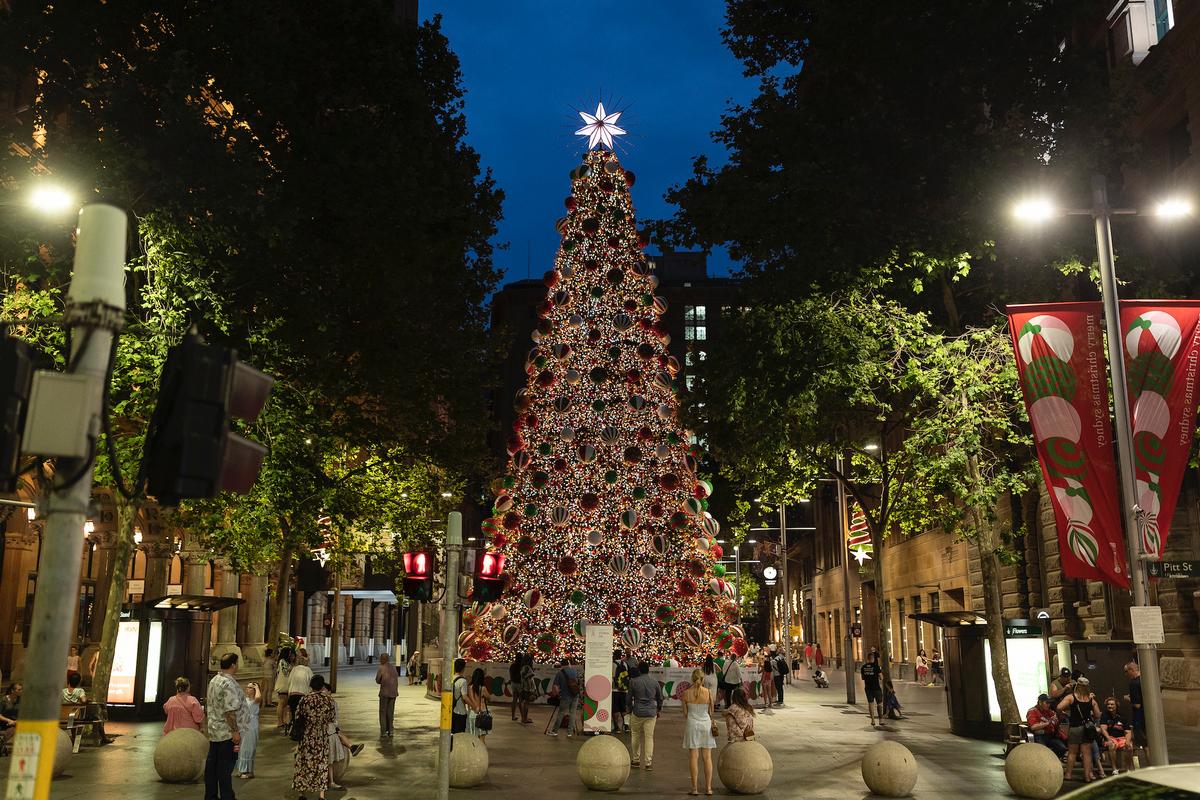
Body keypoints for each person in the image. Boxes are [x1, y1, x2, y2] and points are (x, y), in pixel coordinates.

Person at [203, 652, 245, 800]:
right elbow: (229, 711)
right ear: (233, 665)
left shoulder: (214, 680)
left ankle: (210, 795)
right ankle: (227, 796)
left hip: (214, 730)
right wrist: (235, 731)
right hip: (226, 732)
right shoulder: (228, 683)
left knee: (212, 767)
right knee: (225, 768)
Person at [293, 674, 336, 800]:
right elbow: (332, 718)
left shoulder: (305, 699)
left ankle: (302, 793)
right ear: (322, 686)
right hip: (321, 736)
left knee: (304, 763)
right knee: (321, 764)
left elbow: (297, 716)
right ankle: (321, 795)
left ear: (311, 686)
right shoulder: (328, 700)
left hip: (307, 736)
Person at [321, 680, 364, 791]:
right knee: (336, 739)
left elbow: (334, 719)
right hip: (325, 731)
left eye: (324, 689)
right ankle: (351, 747)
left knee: (330, 757)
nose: (322, 691)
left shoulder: (331, 702)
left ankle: (351, 747)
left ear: (329, 691)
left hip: (329, 729)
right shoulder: (317, 701)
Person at [1057, 676, 1101, 783]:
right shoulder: (1091, 699)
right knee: (1087, 754)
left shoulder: (1071, 697)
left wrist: (1062, 714)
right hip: (1087, 729)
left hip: (1075, 727)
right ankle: (1087, 777)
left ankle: (1068, 774)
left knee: (1072, 753)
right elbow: (1097, 714)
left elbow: (1058, 707)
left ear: (1077, 685)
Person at [681, 667, 717, 796]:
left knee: (693, 757)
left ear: (692, 679)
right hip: (705, 725)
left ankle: (695, 788)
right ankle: (708, 788)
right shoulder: (708, 693)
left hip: (692, 724)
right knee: (707, 757)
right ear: (703, 679)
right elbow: (711, 711)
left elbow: (685, 713)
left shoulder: (686, 694)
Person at [628, 660, 663, 769]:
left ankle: (636, 760)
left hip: (637, 712)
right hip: (651, 713)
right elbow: (660, 698)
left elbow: (628, 698)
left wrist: (630, 709)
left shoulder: (633, 681)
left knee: (635, 735)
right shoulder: (655, 682)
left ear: (639, 670)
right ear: (648, 670)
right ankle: (648, 763)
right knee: (649, 737)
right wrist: (658, 710)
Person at [1026, 693, 1068, 759]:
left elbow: (1055, 723)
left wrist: (1059, 717)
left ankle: (1051, 759)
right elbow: (1033, 727)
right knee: (1043, 751)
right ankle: (1045, 760)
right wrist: (1048, 723)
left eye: (1049, 703)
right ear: (1040, 702)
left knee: (1062, 748)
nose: (1049, 705)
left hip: (1051, 735)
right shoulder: (1032, 711)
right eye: (1047, 703)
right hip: (1039, 736)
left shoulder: (1049, 711)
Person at [1099, 695, 1134, 773]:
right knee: (1112, 745)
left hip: (1121, 738)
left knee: (1129, 746)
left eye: (1112, 704)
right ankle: (1114, 769)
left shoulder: (1122, 716)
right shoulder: (1104, 716)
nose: (1110, 706)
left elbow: (1128, 731)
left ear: (1116, 706)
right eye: (1108, 704)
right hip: (1110, 737)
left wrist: (1128, 741)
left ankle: (1128, 769)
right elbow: (1103, 729)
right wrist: (1109, 739)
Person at [236, 682, 262, 780]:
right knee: (242, 747)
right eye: (247, 687)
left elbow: (258, 698)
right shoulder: (244, 700)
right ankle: (242, 769)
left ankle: (247, 770)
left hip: (251, 725)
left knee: (248, 747)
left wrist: (257, 687)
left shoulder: (256, 700)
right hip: (243, 725)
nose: (247, 689)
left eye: (250, 688)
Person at [547, 658, 579, 737]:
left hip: (565, 696)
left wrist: (556, 694)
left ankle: (555, 731)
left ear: (561, 665)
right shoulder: (574, 671)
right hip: (575, 695)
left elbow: (555, 687)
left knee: (561, 713)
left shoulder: (560, 673)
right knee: (573, 713)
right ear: (568, 664)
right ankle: (570, 732)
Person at [287, 650, 314, 734]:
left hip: (292, 694)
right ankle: (300, 730)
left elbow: (289, 681)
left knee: (294, 712)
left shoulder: (294, 669)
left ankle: (293, 729)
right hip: (302, 695)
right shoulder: (308, 670)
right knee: (302, 714)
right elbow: (312, 682)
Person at [1123, 661, 1147, 757]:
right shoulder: (1146, 680)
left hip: (1140, 717)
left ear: (1131, 670)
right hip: (1150, 716)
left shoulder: (1134, 683)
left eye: (1126, 672)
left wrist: (1128, 699)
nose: (1126, 675)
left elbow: (1137, 705)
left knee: (1145, 745)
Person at [466, 667, 493, 743]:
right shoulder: (483, 688)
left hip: (472, 714)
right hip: (482, 714)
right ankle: (482, 751)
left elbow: (471, 700)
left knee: (473, 738)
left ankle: (474, 750)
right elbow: (490, 698)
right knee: (482, 739)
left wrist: (475, 708)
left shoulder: (470, 687)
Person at [375, 652, 398, 738]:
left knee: (383, 712)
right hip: (393, 693)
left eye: (381, 659)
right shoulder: (393, 667)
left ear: (383, 659)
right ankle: (391, 731)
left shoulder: (381, 668)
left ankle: (383, 731)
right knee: (390, 712)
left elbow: (377, 680)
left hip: (384, 693)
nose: (380, 660)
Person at [860, 651, 884, 726]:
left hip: (868, 688)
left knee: (871, 704)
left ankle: (873, 720)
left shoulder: (863, 667)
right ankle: (880, 720)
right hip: (876, 688)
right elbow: (881, 677)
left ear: (867, 659)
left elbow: (862, 678)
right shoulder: (876, 667)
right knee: (879, 704)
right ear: (873, 659)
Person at [274, 647, 295, 729]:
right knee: (281, 703)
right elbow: (285, 672)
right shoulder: (282, 661)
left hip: (287, 685)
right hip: (283, 685)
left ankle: (283, 720)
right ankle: (279, 721)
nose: (291, 656)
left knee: (285, 704)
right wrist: (292, 669)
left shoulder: (286, 662)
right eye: (290, 654)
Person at [612, 650, 630, 734]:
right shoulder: (625, 664)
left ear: (614, 656)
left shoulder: (612, 664)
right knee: (624, 709)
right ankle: (626, 726)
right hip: (624, 690)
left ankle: (617, 728)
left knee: (615, 710)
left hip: (614, 690)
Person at [451, 658, 469, 735]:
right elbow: (464, 697)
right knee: (460, 735)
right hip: (460, 711)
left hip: (451, 710)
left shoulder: (450, 678)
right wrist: (473, 705)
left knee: (452, 734)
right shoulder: (463, 681)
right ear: (463, 668)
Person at [518, 653, 536, 725]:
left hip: (523, 687)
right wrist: (530, 689)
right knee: (526, 703)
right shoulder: (528, 667)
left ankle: (523, 718)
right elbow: (529, 678)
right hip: (527, 688)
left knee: (523, 702)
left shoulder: (523, 667)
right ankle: (525, 718)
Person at [508, 655, 523, 722]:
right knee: (521, 701)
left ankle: (513, 716)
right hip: (519, 684)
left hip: (513, 683)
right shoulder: (521, 666)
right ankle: (523, 716)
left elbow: (511, 675)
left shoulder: (512, 666)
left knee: (514, 700)